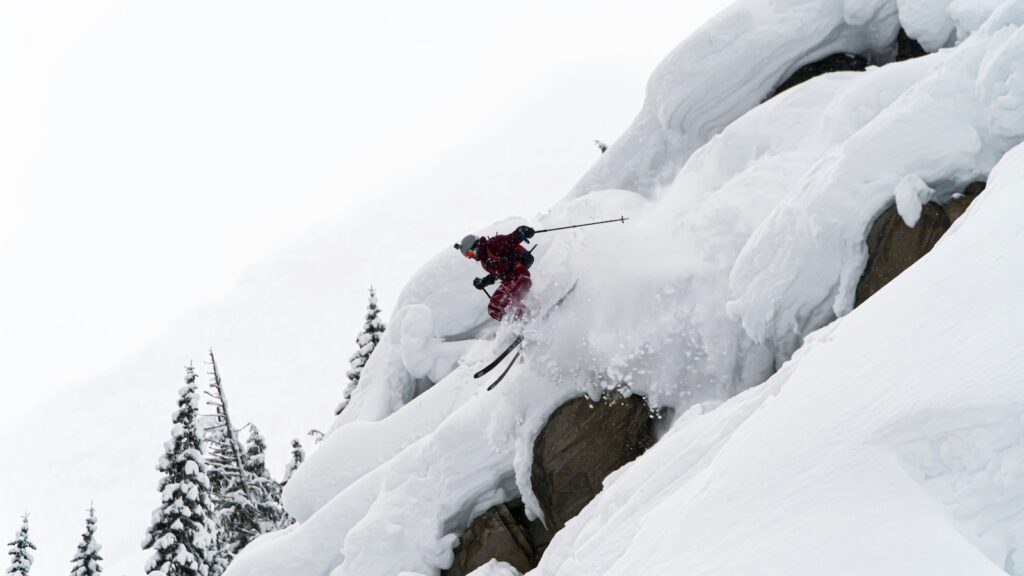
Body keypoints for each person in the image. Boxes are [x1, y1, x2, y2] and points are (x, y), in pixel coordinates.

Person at [456, 225, 536, 321]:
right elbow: (496, 274)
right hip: (511, 283)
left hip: (518, 276)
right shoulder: (485, 262)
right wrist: (484, 282)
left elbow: (511, 239)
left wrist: (522, 231)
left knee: (497, 300)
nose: (470, 257)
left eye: (469, 253)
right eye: (467, 256)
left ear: (474, 247)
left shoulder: (493, 245)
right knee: (493, 309)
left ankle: (527, 317)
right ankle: (514, 325)